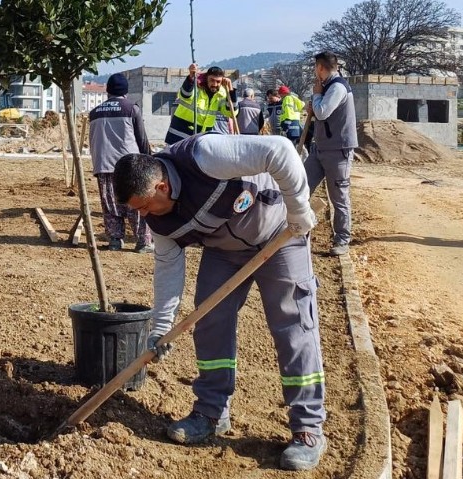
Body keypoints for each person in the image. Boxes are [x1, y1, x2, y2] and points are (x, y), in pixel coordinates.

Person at [112, 134, 327, 471]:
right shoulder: (160, 221)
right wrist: (162, 327)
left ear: (161, 187)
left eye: (142, 206)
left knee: (293, 325)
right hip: (224, 252)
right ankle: (210, 413)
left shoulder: (205, 157)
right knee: (210, 322)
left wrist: (299, 211)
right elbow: (168, 271)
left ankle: (307, 428)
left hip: (280, 234)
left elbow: (280, 150)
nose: (141, 217)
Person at [89, 73, 154, 253]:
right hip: (129, 165)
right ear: (125, 91)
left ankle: (115, 240)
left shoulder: (95, 112)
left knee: (110, 204)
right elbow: (142, 139)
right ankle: (143, 242)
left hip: (103, 165)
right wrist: (148, 159)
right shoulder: (131, 108)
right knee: (135, 202)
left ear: (108, 91)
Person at [305, 51, 358, 256]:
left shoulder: (337, 87)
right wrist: (316, 100)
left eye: (314, 68)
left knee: (339, 197)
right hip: (321, 148)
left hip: (338, 150)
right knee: (301, 186)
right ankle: (296, 229)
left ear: (320, 67)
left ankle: (342, 240)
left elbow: (323, 112)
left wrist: (317, 95)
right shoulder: (328, 87)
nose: (314, 72)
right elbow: (320, 112)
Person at [165, 64, 237, 144]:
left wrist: (231, 90)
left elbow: (231, 113)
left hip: (200, 139)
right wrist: (191, 77)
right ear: (206, 79)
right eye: (212, 80)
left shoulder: (221, 94)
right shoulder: (196, 87)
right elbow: (185, 95)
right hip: (179, 136)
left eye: (218, 81)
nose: (215, 84)